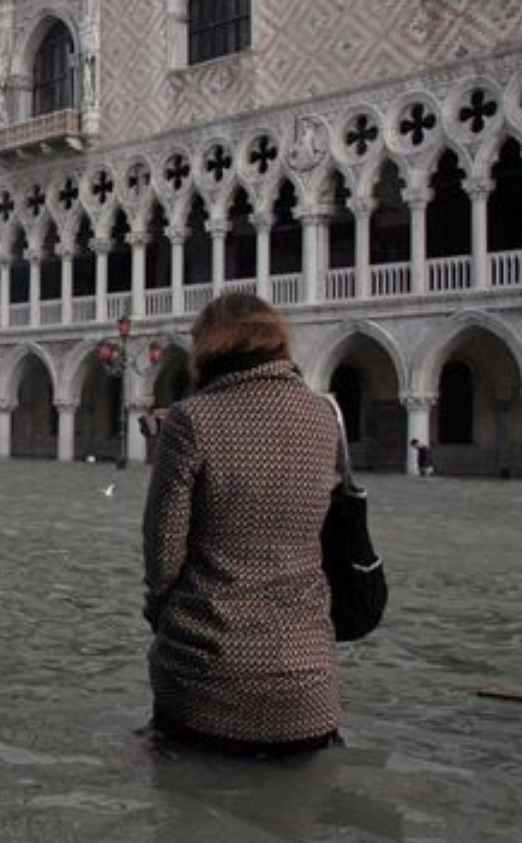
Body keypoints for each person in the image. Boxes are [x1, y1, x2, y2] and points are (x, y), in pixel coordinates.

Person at [142, 293, 341, 757]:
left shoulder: (192, 419)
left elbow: (163, 551)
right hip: (308, 688)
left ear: (209, 345)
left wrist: (164, 620)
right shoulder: (323, 417)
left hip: (205, 679)